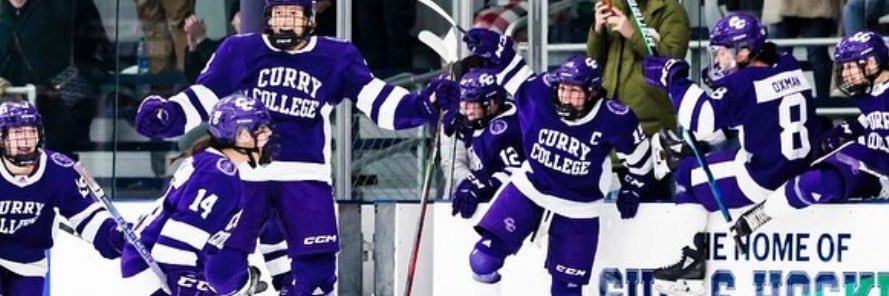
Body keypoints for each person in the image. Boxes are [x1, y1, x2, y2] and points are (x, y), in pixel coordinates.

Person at [132, 0, 459, 294]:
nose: (285, 23)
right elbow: (205, 95)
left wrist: (424, 104)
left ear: (310, 17)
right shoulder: (240, 50)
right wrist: (170, 115)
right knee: (220, 271)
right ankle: (249, 285)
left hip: (305, 179)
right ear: (267, 18)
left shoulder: (336, 56)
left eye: (293, 14)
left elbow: (378, 100)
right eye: (278, 15)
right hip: (247, 178)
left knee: (313, 277)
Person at [460, 28, 654, 296]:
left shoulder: (615, 118)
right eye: (563, 88)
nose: (566, 97)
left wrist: (633, 186)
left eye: (576, 92)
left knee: (566, 291)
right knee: (482, 259)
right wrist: (494, 44)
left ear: (594, 91)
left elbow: (641, 158)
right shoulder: (541, 94)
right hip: (531, 186)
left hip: (579, 205)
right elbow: (510, 66)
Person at [641, 13, 819, 295]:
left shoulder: (743, 85)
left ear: (745, 52)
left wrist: (673, 79)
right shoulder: (787, 64)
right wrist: (721, 98)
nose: (720, 61)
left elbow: (702, 121)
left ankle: (690, 262)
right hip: (798, 167)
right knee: (705, 143)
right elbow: (751, 113)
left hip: (762, 180)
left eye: (723, 53)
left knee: (686, 171)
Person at [731, 30, 889, 239]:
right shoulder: (872, 91)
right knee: (816, 177)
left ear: (872, 62)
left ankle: (765, 211)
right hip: (876, 165)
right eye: (843, 67)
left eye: (851, 66)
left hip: (881, 168)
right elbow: (873, 118)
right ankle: (762, 213)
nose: (845, 74)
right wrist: (848, 130)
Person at [121, 94, 273, 295]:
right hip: (157, 274)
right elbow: (175, 249)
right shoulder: (218, 175)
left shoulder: (210, 161)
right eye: (260, 130)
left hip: (153, 268)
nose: (268, 134)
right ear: (242, 134)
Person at [0, 100, 124, 295]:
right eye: (17, 132)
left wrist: (113, 237)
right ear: (2, 139)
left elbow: (85, 214)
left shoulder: (59, 170)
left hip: (29, 261)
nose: (26, 140)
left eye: (31, 131)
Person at [587, 0, 689, 136]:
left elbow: (673, 60)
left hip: (650, 118)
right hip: (609, 114)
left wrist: (633, 34)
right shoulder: (614, 5)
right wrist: (597, 31)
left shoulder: (670, 9)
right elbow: (594, 63)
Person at [447, 68, 524, 219]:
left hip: (513, 208)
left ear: (491, 103)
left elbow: (515, 173)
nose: (465, 110)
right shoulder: (493, 113)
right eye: (463, 103)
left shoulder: (507, 130)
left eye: (471, 103)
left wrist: (481, 186)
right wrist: (467, 128)